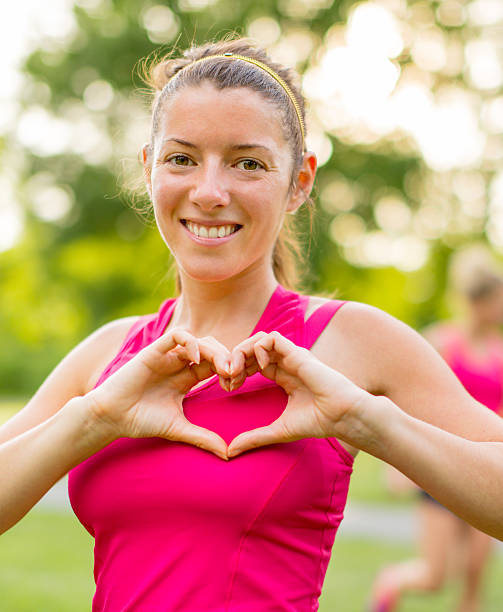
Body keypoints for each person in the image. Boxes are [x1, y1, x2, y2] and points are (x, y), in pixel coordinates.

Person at [1, 37, 503, 612]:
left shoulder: (353, 340)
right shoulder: (109, 353)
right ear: (148, 168)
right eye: (182, 158)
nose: (210, 192)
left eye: (248, 163)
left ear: (300, 183)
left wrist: (369, 423)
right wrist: (93, 419)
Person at [369, 247, 503, 612]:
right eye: (498, 300)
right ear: (480, 300)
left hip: (485, 468)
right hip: (440, 464)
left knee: (476, 571)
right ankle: (388, 585)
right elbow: (404, 403)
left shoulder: (499, 353)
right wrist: (398, 465)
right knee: (434, 576)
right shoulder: (442, 343)